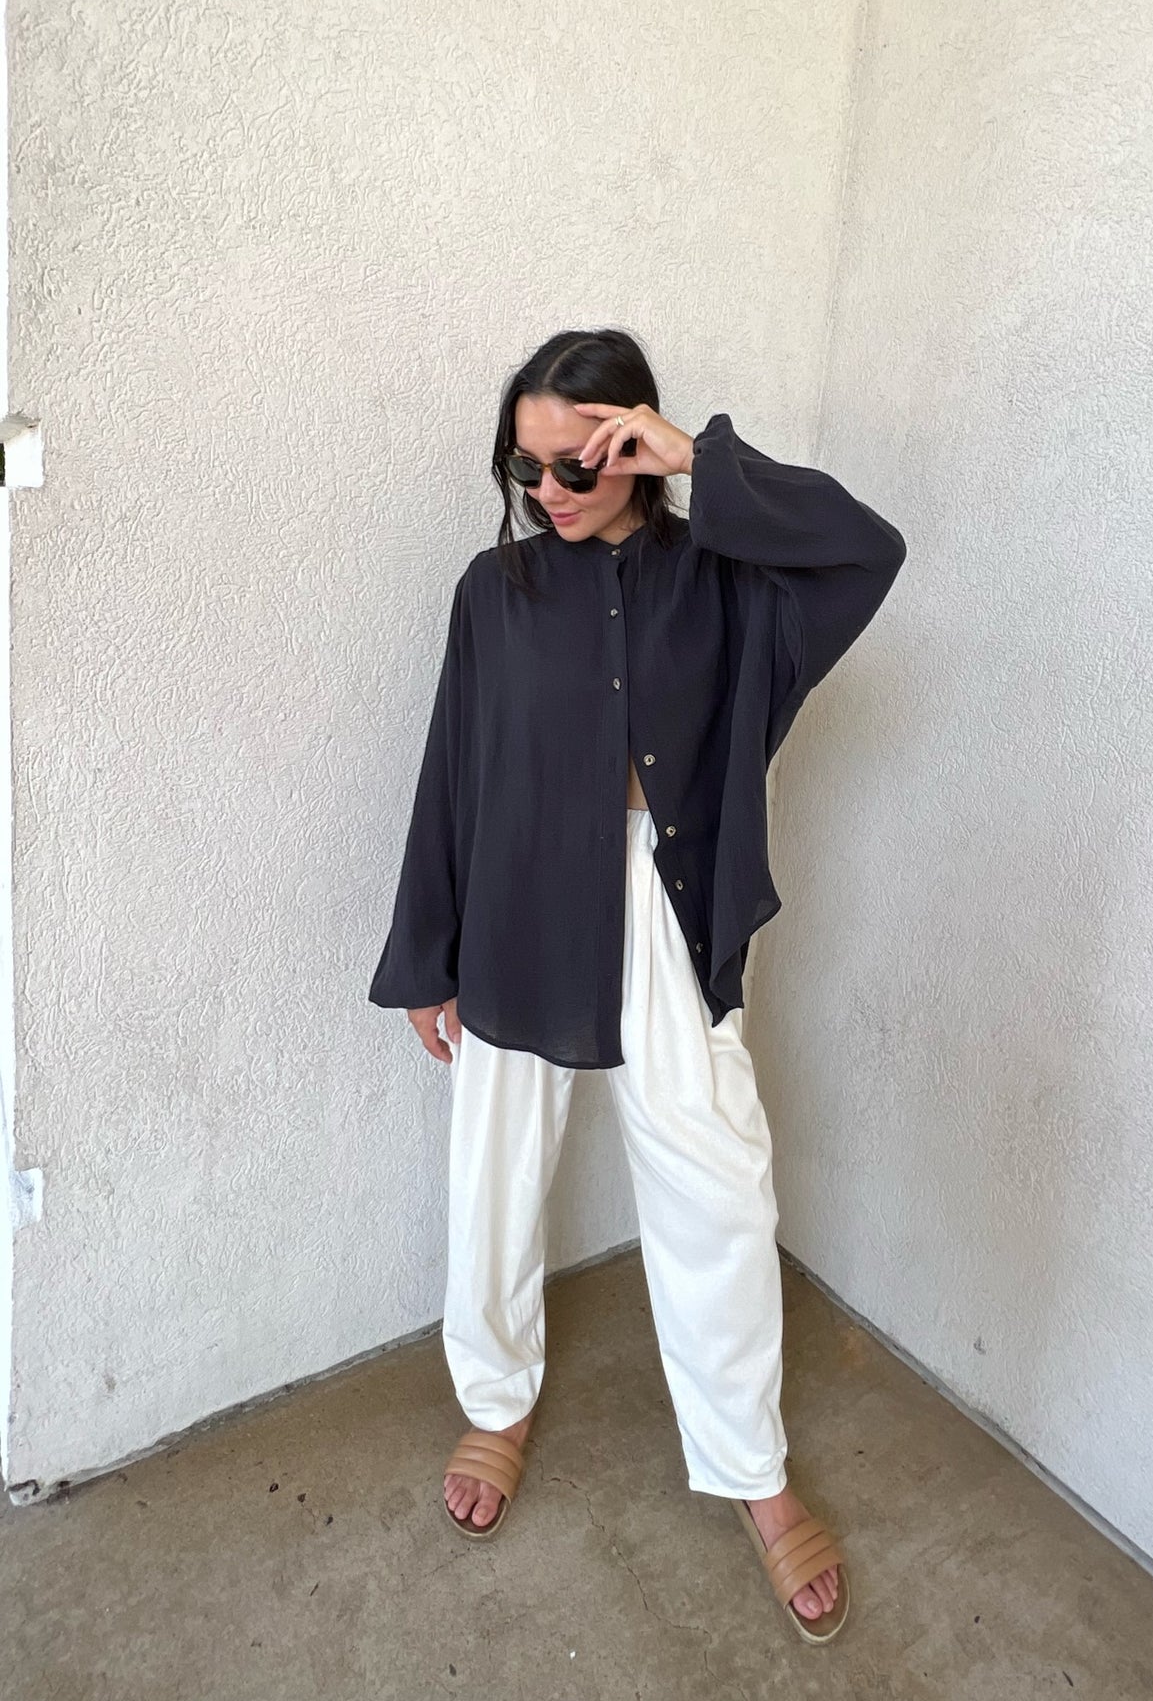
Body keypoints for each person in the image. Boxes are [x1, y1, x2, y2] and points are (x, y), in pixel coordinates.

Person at [368, 328, 905, 1643]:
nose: (549, 490)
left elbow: (866, 550)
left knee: (718, 1186)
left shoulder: (728, 581)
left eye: (579, 461)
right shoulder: (493, 591)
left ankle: (751, 1468)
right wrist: (428, 950)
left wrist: (699, 460)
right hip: (514, 906)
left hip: (668, 905)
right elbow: (452, 766)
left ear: (633, 443)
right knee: (496, 1170)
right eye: (526, 465)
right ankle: (496, 1400)